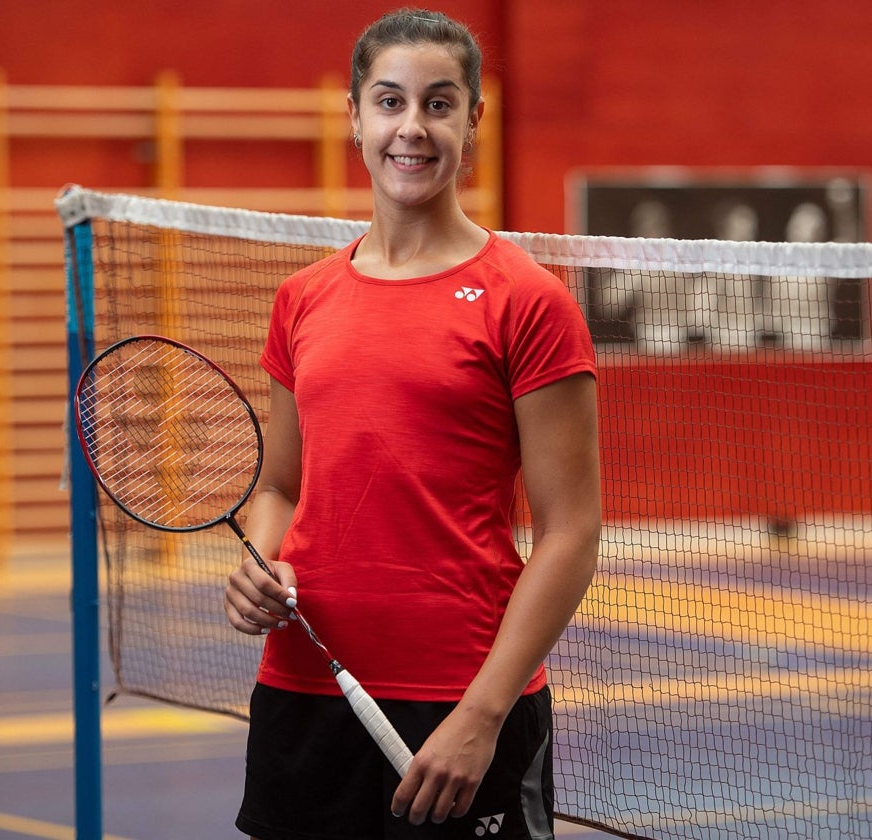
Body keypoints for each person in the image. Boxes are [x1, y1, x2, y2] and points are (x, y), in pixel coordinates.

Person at [223, 9, 601, 839]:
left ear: (473, 123)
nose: (412, 128)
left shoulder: (528, 301)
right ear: (355, 116)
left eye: (438, 104)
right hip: (304, 689)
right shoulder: (304, 300)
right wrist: (261, 561)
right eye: (389, 102)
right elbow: (283, 485)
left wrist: (484, 713)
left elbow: (572, 532)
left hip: (459, 702)